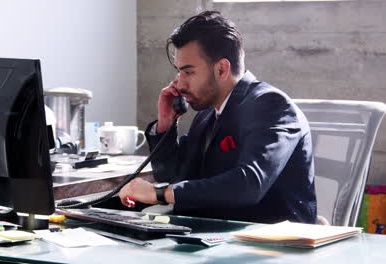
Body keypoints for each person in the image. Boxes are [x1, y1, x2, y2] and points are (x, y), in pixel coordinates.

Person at [119, 11, 317, 224]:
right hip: (215, 237)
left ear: (222, 69)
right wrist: (166, 125)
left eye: (189, 72)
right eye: (179, 72)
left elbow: (249, 184)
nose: (180, 84)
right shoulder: (207, 114)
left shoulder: (271, 105)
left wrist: (160, 193)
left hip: (272, 245)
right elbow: (173, 177)